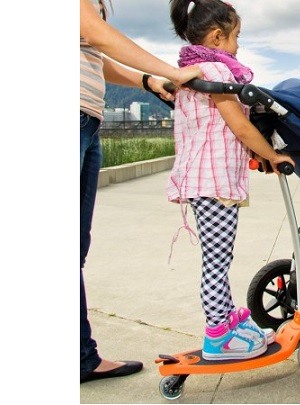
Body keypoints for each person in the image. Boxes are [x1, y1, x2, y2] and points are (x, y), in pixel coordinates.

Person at [80, 0, 203, 383]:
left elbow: (95, 52)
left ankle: (80, 358)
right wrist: (172, 71)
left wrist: (149, 81)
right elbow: (100, 36)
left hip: (86, 121)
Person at [167, 0, 295, 361]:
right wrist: (272, 155)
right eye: (236, 37)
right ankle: (217, 334)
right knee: (217, 261)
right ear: (217, 36)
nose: (238, 46)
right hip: (216, 183)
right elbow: (240, 126)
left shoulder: (190, 73)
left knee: (217, 256)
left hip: (202, 180)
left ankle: (227, 318)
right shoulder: (216, 73)